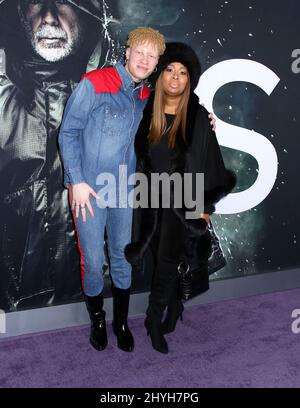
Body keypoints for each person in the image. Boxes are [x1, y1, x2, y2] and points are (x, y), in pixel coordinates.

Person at [58, 27, 167, 352]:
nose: (145, 60)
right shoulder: (95, 83)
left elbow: (179, 115)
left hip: (123, 193)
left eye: (152, 56)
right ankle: (97, 322)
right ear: (127, 51)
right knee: (92, 262)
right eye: (140, 52)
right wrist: (76, 180)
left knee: (122, 258)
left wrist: (207, 119)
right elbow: (68, 132)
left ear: (156, 61)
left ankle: (120, 323)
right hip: (88, 191)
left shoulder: (147, 97)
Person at [0, 0, 113, 310]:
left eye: (64, 1)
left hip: (112, 305)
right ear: (18, 11)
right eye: (36, 1)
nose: (48, 17)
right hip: (18, 325)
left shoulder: (130, 93)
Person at [125, 42, 236, 354]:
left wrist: (205, 206)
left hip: (183, 201)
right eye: (170, 70)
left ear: (190, 79)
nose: (175, 77)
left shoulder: (199, 117)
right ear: (160, 76)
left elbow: (211, 162)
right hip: (150, 200)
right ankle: (170, 310)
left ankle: (154, 316)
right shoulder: (146, 113)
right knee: (166, 260)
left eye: (183, 72)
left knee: (169, 260)